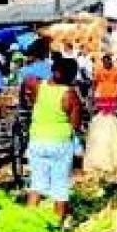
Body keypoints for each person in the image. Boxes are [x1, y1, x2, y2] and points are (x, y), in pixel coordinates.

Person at [26, 57, 82, 220]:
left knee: (36, 185)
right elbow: (75, 124)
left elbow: (27, 83)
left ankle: (28, 222)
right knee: (59, 187)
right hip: (59, 144)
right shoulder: (69, 95)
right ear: (71, 75)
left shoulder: (38, 86)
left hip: (37, 141)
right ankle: (57, 224)